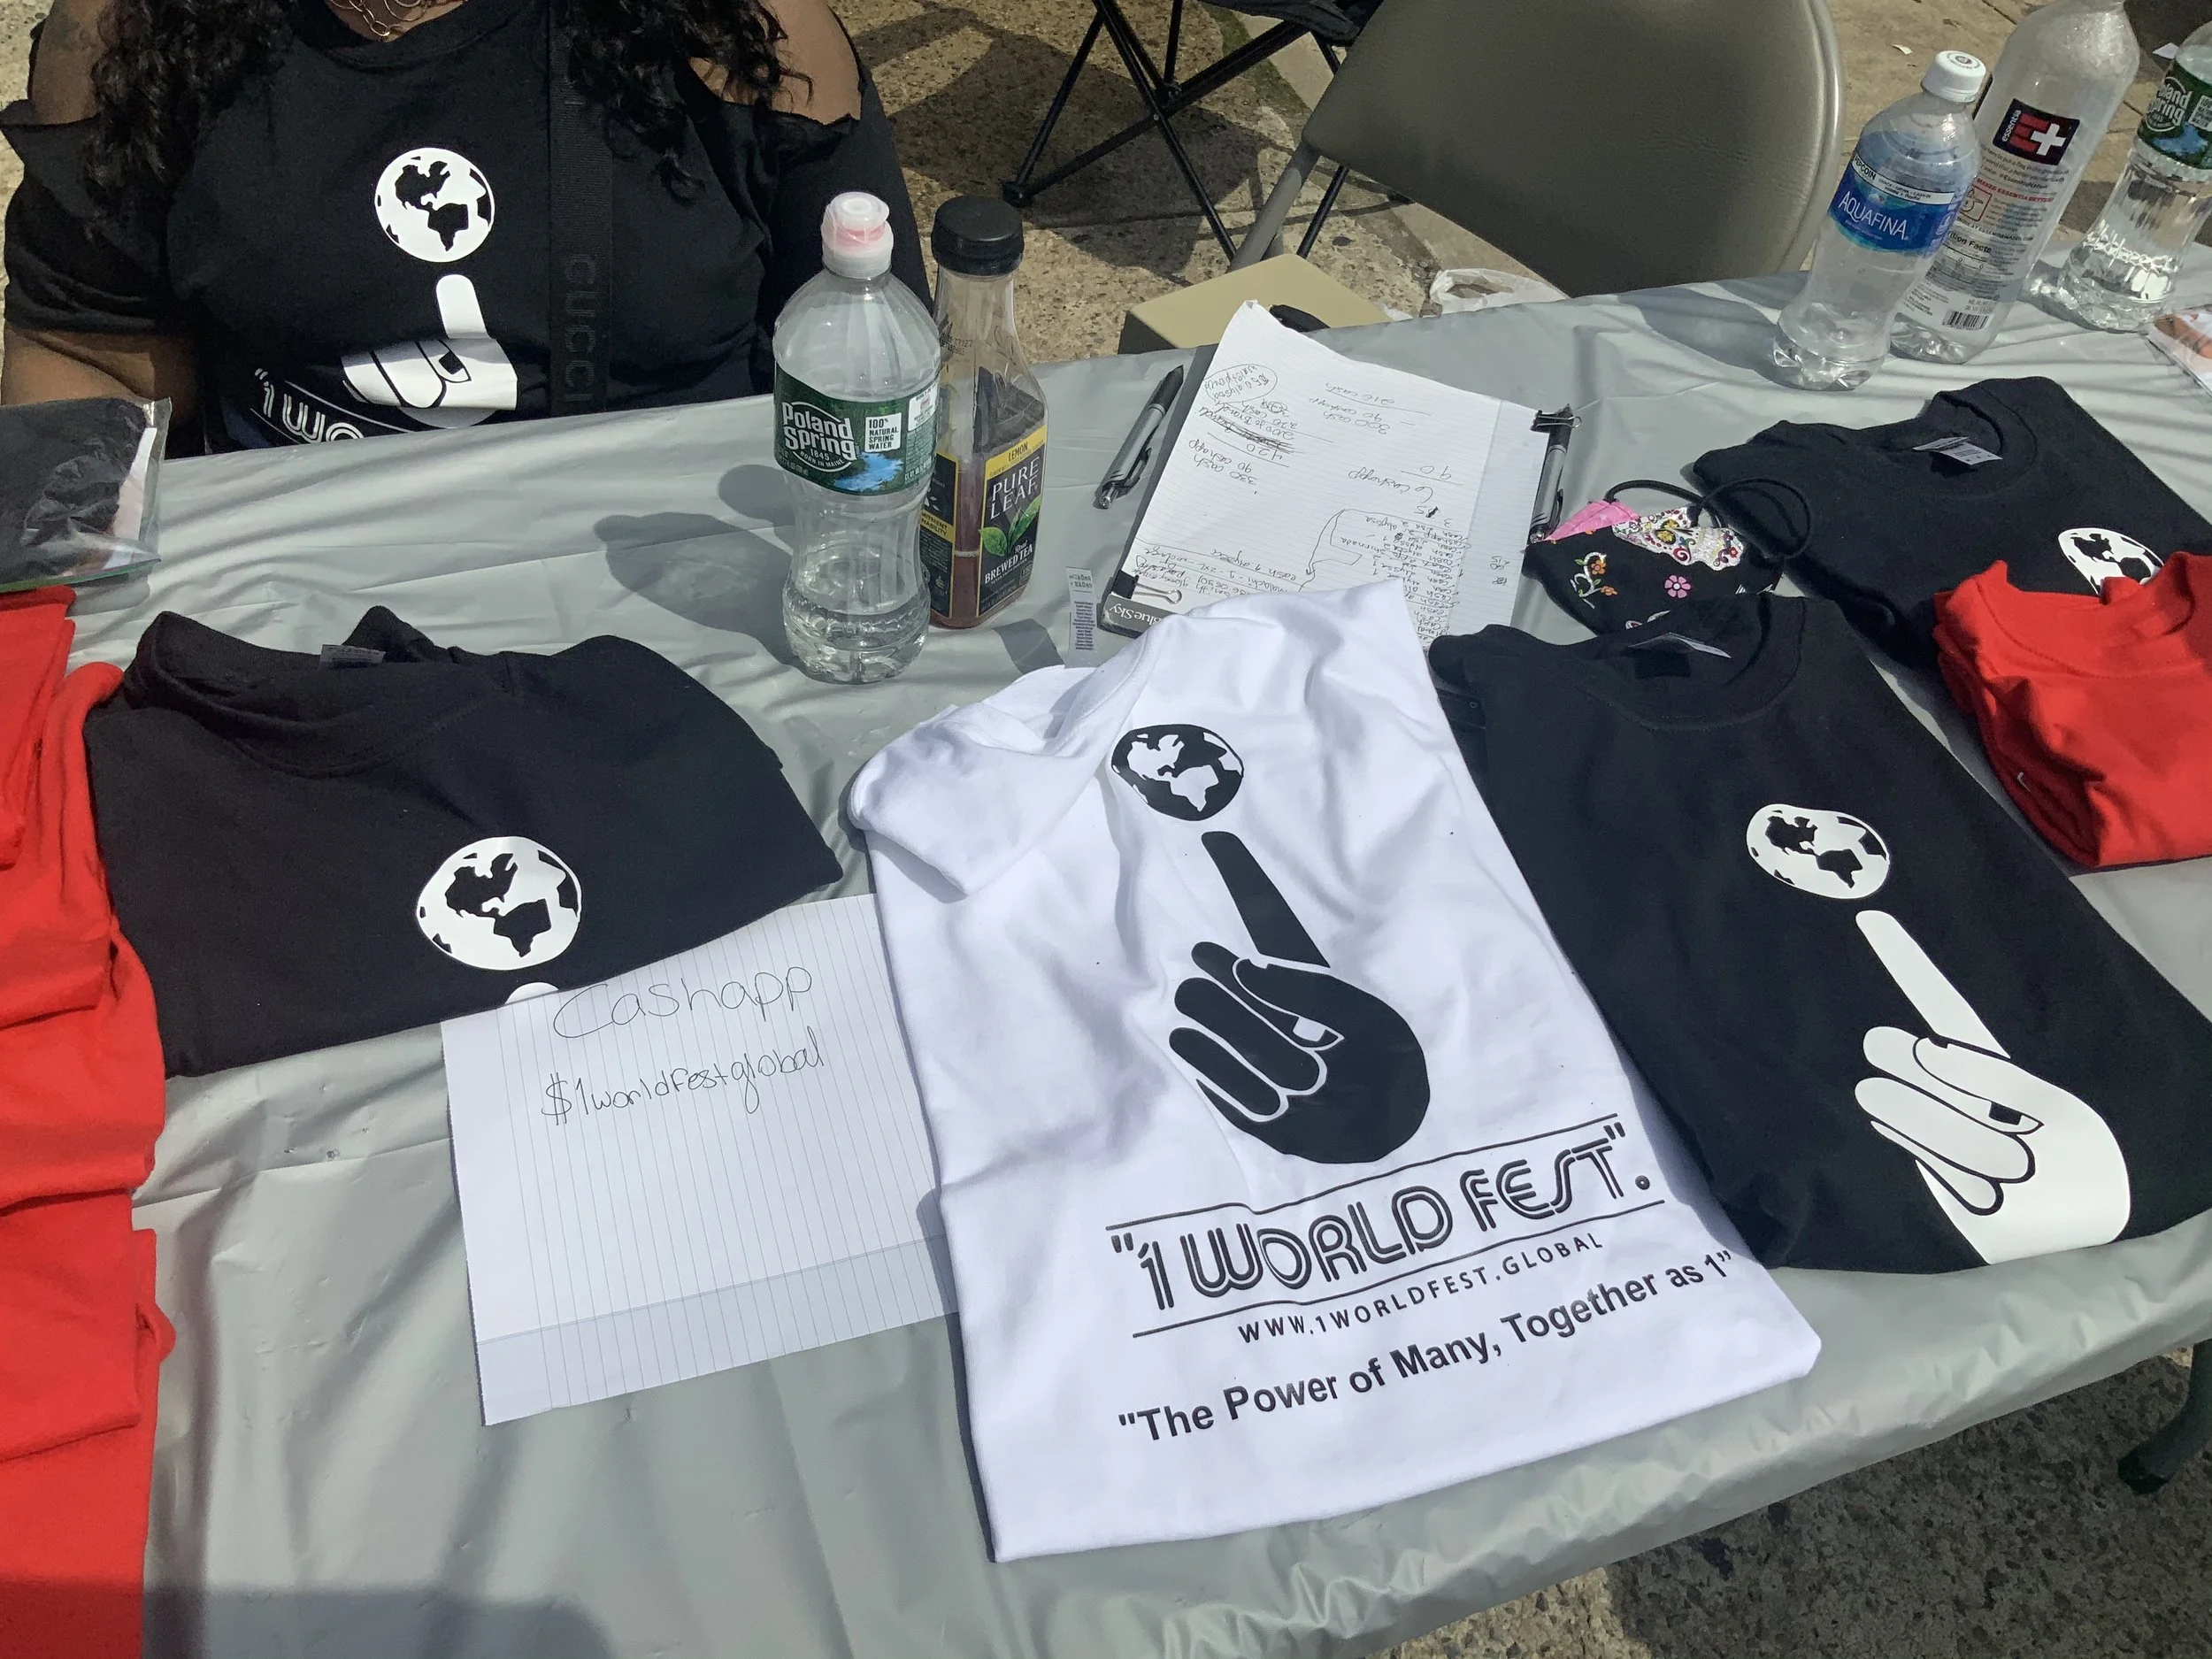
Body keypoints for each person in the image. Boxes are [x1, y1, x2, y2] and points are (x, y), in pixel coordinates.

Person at [0, 0, 931, 450]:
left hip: (672, 595)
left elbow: (880, 378)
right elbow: (84, 355)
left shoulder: (740, 31)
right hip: (293, 630)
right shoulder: (136, 30)